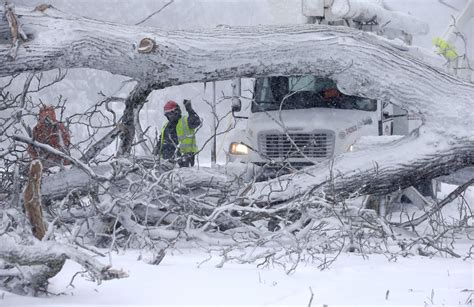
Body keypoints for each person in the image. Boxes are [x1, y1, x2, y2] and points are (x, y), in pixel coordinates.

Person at [153, 99, 201, 167]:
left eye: (170, 114)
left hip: (184, 159)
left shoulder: (185, 121)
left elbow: (196, 122)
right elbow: (162, 140)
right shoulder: (166, 126)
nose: (169, 116)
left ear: (176, 112)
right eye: (167, 115)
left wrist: (189, 109)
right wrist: (157, 148)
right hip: (166, 160)